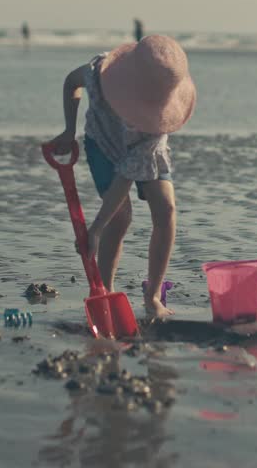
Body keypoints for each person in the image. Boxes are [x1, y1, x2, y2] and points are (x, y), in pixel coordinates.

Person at [48, 35, 196, 319]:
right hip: (103, 143)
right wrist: (69, 129)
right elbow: (71, 83)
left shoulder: (157, 125)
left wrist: (94, 230)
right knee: (120, 217)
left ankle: (152, 297)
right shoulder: (98, 74)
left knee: (166, 210)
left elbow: (126, 176)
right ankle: (103, 291)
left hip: (145, 149)